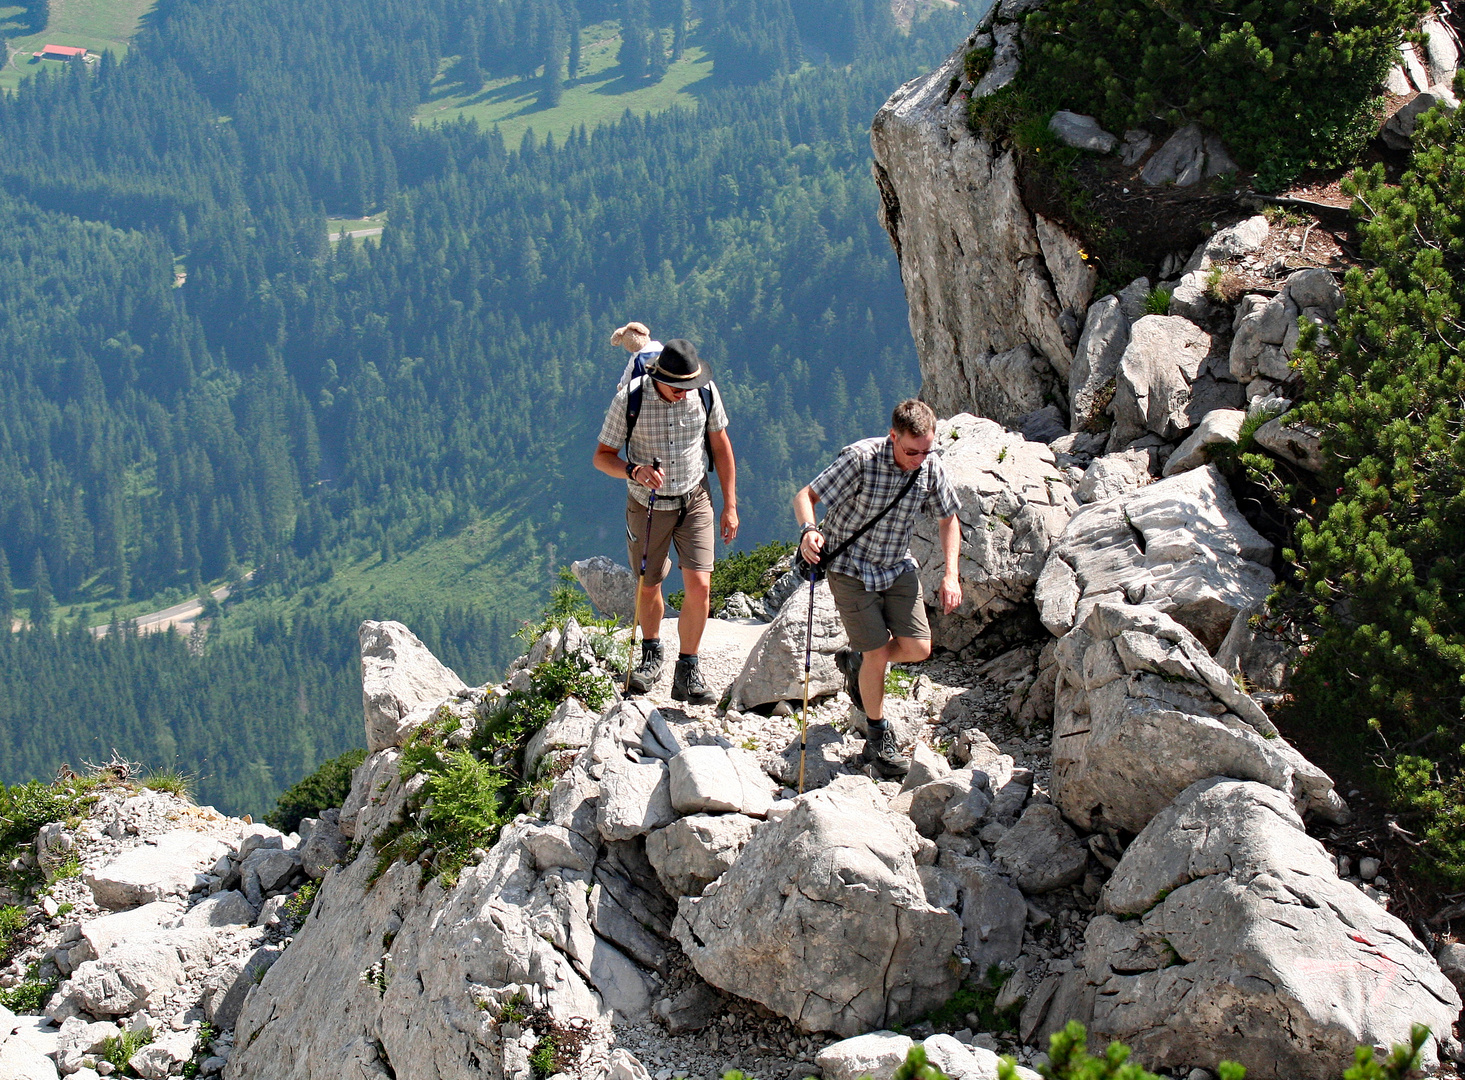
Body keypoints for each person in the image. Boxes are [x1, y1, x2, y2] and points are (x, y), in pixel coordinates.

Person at [791, 399, 962, 777]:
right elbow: (806, 496)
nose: (919, 458)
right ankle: (876, 737)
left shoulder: (930, 465)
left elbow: (949, 519)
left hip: (895, 564)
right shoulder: (860, 459)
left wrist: (951, 574)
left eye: (926, 449)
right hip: (850, 567)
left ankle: (857, 663)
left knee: (919, 649)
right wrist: (809, 531)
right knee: (878, 654)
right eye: (911, 450)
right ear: (893, 437)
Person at [593, 339, 739, 703]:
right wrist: (634, 470)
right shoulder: (631, 399)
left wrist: (730, 504)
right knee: (649, 582)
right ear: (659, 377)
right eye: (678, 388)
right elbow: (602, 456)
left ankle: (688, 667)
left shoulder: (703, 392)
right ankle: (651, 650)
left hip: (695, 496)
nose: (685, 393)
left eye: (690, 386)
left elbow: (721, 446)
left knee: (701, 585)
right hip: (647, 503)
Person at [611, 321, 663, 389]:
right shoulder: (659, 347)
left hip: (646, 390)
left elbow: (628, 373)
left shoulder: (636, 357)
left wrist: (621, 386)